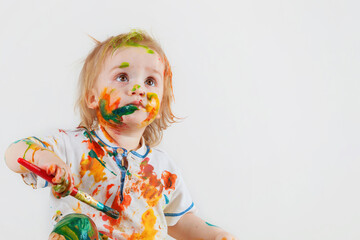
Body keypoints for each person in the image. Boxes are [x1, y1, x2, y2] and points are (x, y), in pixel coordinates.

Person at [5, 30, 237, 240]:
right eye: (123, 77)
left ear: (160, 107)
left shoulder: (163, 170)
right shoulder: (72, 146)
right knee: (77, 225)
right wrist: (47, 161)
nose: (139, 89)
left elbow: (180, 221)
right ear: (92, 97)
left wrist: (214, 235)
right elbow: (14, 153)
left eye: (150, 81)